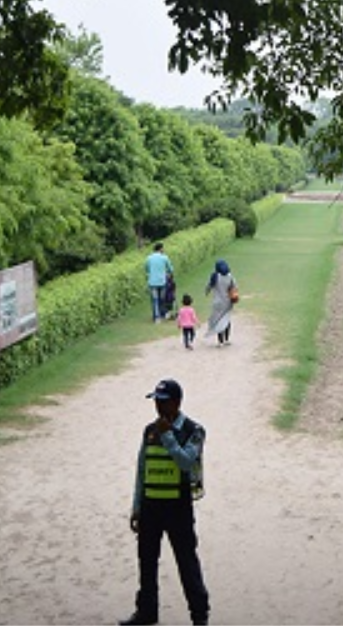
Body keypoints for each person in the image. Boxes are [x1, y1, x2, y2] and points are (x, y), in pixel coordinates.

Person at [119, 379, 210, 626]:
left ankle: (199, 616)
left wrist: (168, 436)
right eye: (156, 402)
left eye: (163, 402)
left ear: (177, 402)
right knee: (146, 562)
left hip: (178, 508)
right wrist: (137, 507)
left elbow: (186, 462)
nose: (158, 407)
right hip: (151, 508)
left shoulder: (194, 430)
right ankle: (147, 612)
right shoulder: (149, 431)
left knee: (186, 563)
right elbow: (142, 469)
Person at [204, 260, 236, 346]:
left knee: (218, 320)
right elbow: (234, 287)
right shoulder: (230, 276)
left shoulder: (215, 276)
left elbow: (208, 286)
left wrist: (206, 292)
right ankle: (226, 339)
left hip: (217, 302)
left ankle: (220, 341)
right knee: (226, 320)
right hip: (228, 302)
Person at [146, 244, 176, 324]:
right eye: (163, 248)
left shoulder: (149, 258)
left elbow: (147, 269)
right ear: (160, 249)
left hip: (152, 282)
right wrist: (169, 274)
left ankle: (156, 317)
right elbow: (170, 269)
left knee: (155, 300)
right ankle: (163, 314)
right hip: (162, 281)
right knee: (162, 299)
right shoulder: (164, 257)